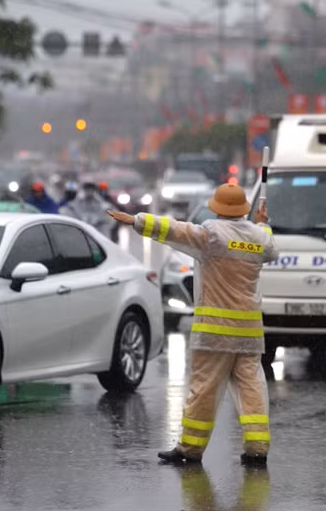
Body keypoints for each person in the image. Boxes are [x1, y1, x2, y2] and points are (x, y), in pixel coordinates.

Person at [108, 183, 278, 466]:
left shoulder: (212, 234)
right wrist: (262, 224)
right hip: (249, 334)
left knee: (204, 390)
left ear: (217, 207)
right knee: (252, 389)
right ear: (243, 209)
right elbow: (271, 249)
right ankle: (257, 449)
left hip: (215, 332)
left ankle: (190, 449)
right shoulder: (259, 239)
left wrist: (136, 220)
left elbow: (174, 229)